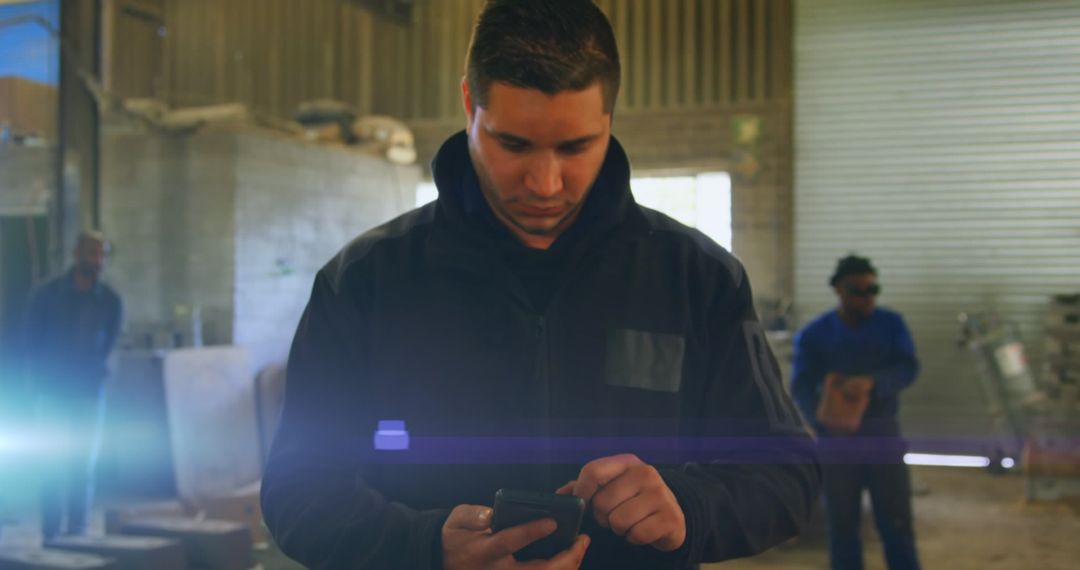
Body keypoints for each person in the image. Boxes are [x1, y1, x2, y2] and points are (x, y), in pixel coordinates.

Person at [262, 1, 820, 569]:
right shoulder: (364, 282)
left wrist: (691, 507)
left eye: (576, 147)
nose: (545, 182)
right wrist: (423, 547)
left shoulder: (698, 279)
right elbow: (297, 491)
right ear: (468, 106)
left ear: (610, 118)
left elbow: (785, 472)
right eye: (515, 145)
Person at [790, 255, 921, 570]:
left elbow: (908, 367)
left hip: (882, 439)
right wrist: (820, 421)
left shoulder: (891, 325)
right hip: (837, 446)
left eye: (873, 290)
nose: (867, 298)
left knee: (897, 524)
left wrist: (873, 383)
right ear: (838, 289)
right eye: (858, 290)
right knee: (842, 527)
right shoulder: (814, 335)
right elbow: (802, 386)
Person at [22, 230, 123, 541]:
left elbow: (109, 343)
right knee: (51, 466)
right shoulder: (46, 295)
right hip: (52, 393)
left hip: (89, 393)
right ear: (77, 254)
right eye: (93, 253)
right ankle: (50, 534)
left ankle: (77, 533)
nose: (98, 260)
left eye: (103, 254)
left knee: (82, 467)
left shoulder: (109, 300)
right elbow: (30, 342)